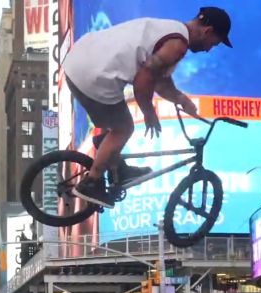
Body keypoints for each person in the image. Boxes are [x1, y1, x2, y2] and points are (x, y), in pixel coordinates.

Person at [63, 7, 233, 208]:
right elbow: (143, 81)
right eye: (214, 43)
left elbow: (160, 80)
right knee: (124, 128)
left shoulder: (170, 29)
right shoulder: (177, 46)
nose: (209, 49)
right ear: (207, 31)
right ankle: (91, 182)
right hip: (92, 75)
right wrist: (148, 112)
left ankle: (116, 164)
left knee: (115, 123)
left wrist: (181, 99)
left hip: (77, 62)